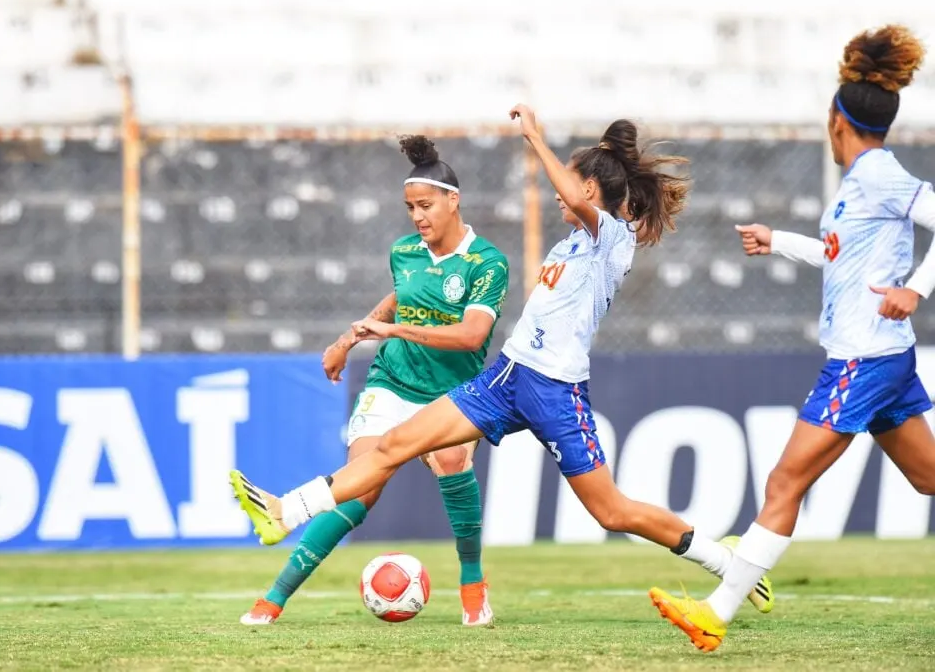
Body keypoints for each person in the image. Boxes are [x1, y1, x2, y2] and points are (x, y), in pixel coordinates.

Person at [230, 104, 775, 615]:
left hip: (556, 392)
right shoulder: (571, 245)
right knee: (397, 445)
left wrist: (535, 137)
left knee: (611, 511)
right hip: (506, 378)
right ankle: (286, 512)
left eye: (568, 183)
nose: (557, 195)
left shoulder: (612, 237)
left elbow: (577, 203)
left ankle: (727, 561)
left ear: (587, 188)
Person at [649, 24, 935, 652]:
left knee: (784, 483)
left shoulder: (881, 176)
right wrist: (779, 241)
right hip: (881, 359)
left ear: (837, 120)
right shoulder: (860, 185)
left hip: (862, 362)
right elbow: (845, 258)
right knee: (928, 478)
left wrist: (916, 287)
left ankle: (716, 612)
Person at [235, 135, 509, 627]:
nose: (417, 217)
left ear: (453, 200)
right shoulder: (405, 250)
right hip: (393, 379)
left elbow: (472, 336)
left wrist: (393, 327)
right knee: (359, 487)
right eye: (409, 208)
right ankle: (274, 598)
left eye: (425, 206)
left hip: (452, 392)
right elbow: (399, 297)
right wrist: (350, 337)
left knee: (450, 459)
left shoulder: (487, 262)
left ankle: (473, 583)